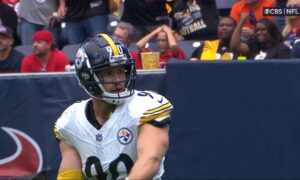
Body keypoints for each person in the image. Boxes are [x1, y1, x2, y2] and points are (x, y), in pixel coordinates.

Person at [54, 34, 173, 179]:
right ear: (88, 78)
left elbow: (151, 160)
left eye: (120, 71)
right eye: (108, 73)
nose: (118, 80)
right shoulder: (71, 119)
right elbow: (69, 174)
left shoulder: (145, 106)